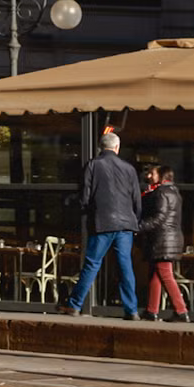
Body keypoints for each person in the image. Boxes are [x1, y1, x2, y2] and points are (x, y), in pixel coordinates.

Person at [60, 132, 142, 319]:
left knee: (92, 264)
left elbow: (84, 197)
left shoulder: (93, 165)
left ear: (100, 147)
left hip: (102, 222)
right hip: (125, 225)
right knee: (125, 267)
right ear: (117, 148)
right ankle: (132, 310)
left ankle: (75, 305)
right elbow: (137, 200)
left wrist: (88, 213)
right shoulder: (129, 169)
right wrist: (134, 221)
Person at [136, 165, 189, 322]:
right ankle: (151, 311)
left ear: (162, 175)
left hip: (162, 240)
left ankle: (181, 311)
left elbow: (159, 218)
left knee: (165, 274)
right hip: (168, 238)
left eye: (152, 173)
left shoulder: (161, 193)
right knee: (155, 274)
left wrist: (138, 227)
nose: (149, 176)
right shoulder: (173, 192)